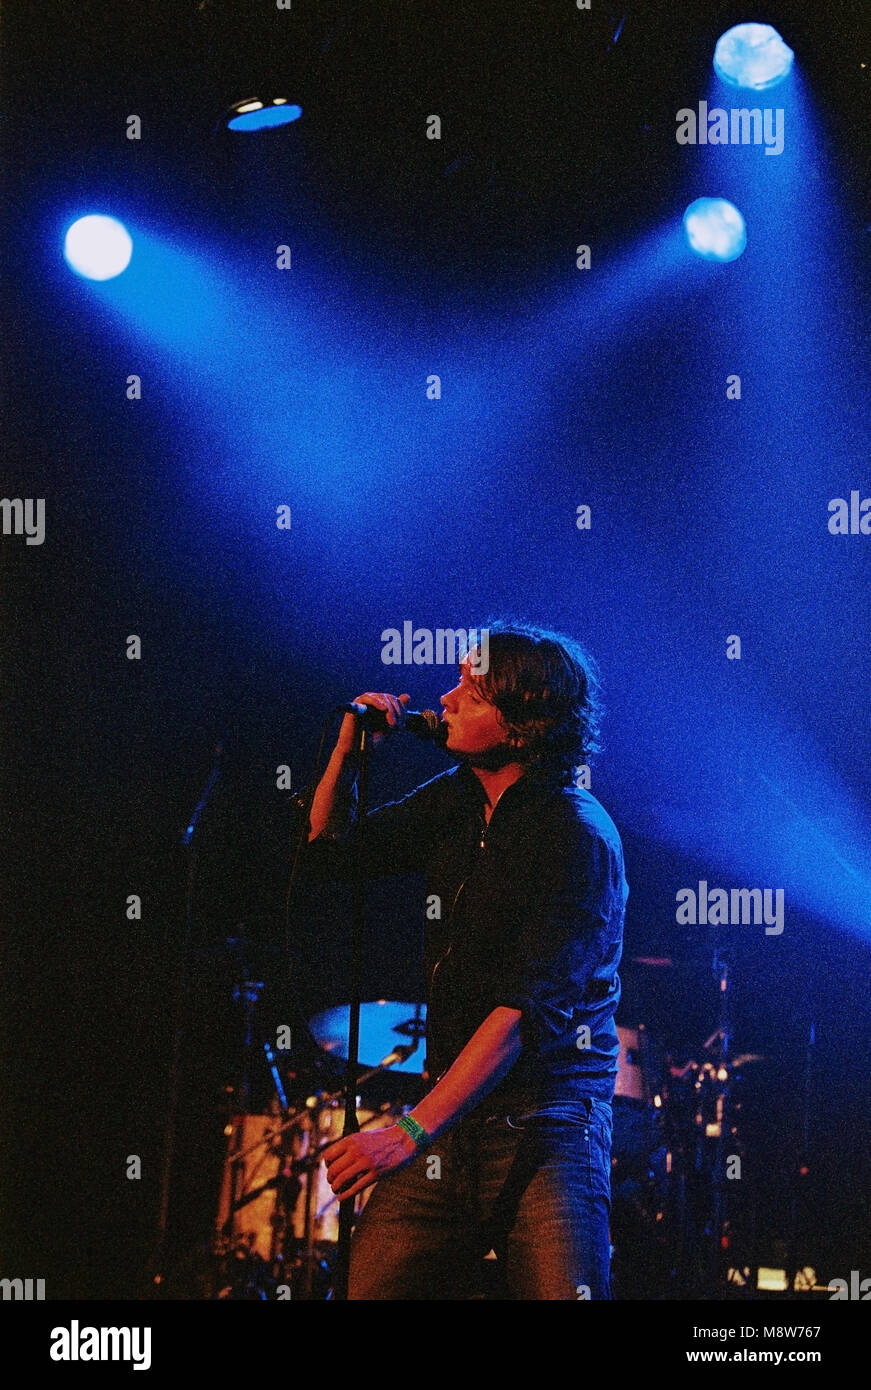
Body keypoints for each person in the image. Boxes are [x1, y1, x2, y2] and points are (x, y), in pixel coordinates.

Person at [305, 621, 628, 1299]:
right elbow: (331, 853)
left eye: (469, 692)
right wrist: (346, 748)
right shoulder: (457, 800)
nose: (444, 700)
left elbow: (522, 1010)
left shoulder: (575, 836)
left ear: (520, 725)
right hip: (450, 1118)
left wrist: (407, 1132)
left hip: (547, 1127)